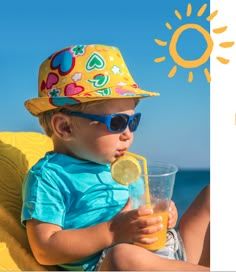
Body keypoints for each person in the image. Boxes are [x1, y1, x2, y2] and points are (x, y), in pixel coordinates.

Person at [21, 44, 210, 271]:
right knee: (124, 256)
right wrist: (112, 231)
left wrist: (166, 214)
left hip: (168, 253)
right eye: (117, 122)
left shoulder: (128, 166)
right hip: (113, 263)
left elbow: (141, 209)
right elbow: (45, 248)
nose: (128, 134)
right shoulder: (50, 177)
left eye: (133, 121)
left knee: (214, 195)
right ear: (65, 127)